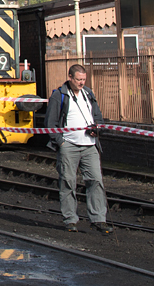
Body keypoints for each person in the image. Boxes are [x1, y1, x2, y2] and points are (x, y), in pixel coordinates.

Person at [45, 64, 110, 233]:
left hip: (90, 145)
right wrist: (61, 142)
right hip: (69, 145)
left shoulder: (88, 94)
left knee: (96, 180)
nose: (81, 83)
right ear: (70, 78)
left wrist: (97, 128)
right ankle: (70, 220)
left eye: (83, 79)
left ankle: (98, 219)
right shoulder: (59, 96)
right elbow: (50, 123)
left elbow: (97, 116)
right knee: (68, 182)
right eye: (78, 79)